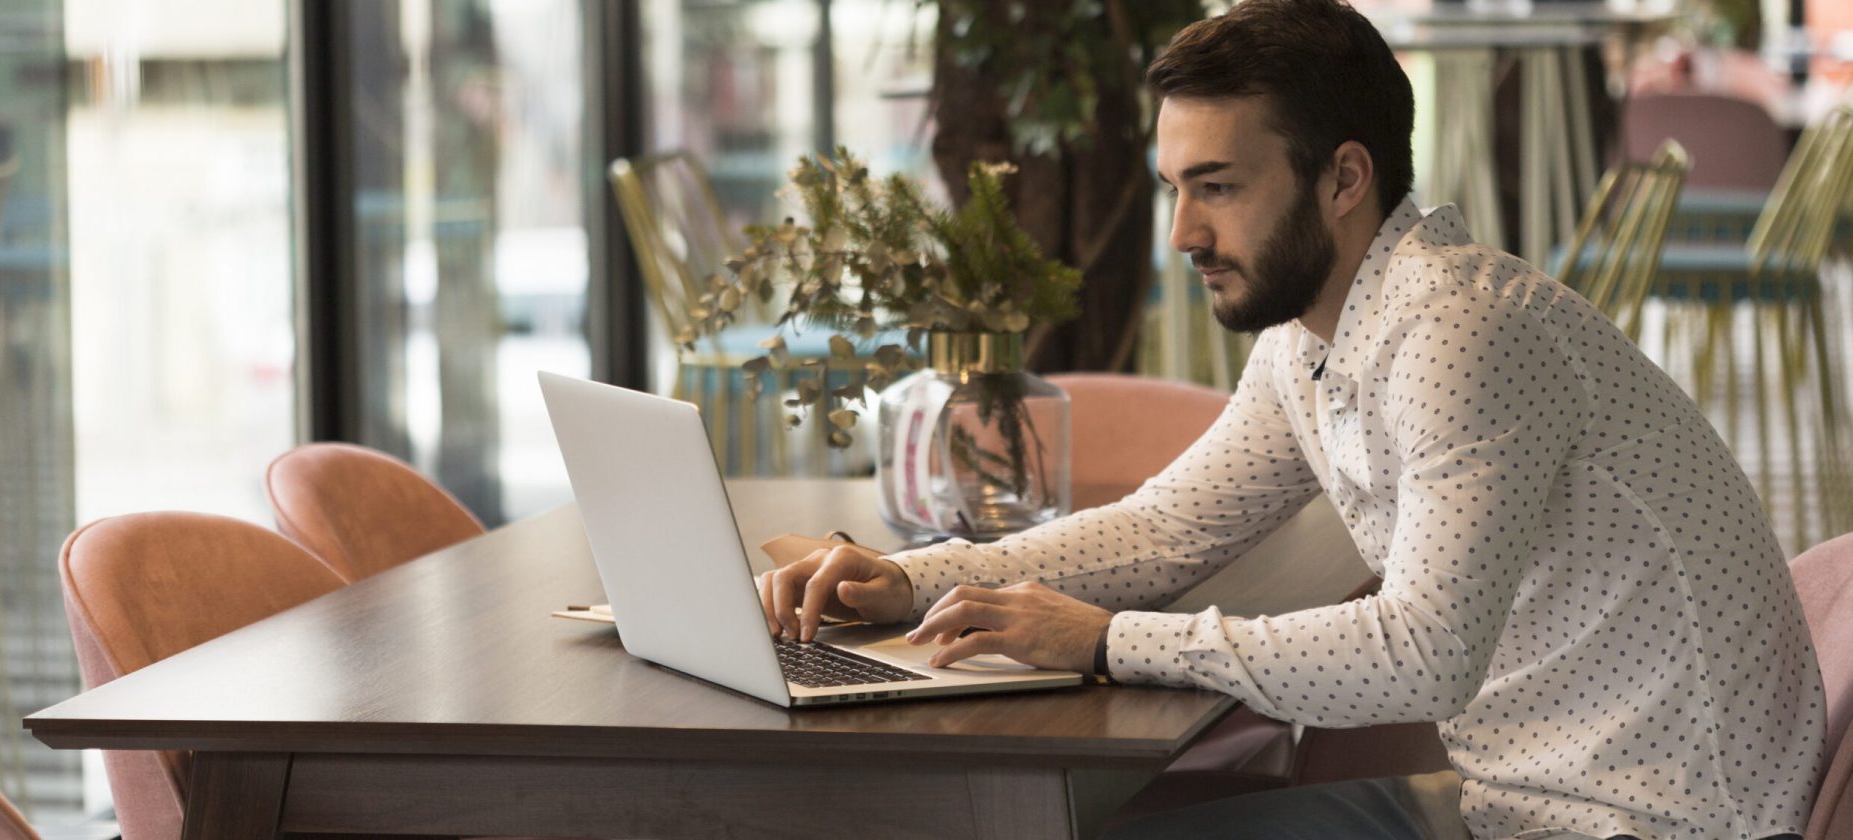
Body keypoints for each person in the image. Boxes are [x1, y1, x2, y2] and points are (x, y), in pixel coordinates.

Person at [757, 0, 1826, 836]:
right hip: (1526, 805)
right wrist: (913, 578)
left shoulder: (1461, 330)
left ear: (1343, 178)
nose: (1182, 231)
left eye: (1216, 186)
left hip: (1651, 822)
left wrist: (1109, 645)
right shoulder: (1315, 336)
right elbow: (1169, 528)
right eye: (1174, 185)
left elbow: (1423, 655)